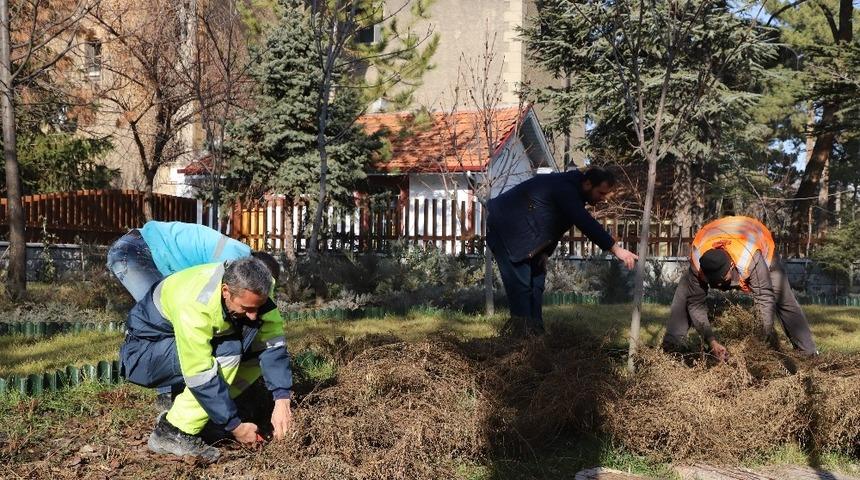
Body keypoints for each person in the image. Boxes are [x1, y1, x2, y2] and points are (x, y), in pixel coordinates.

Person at [121, 257, 293, 462]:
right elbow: (199, 373)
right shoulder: (195, 304)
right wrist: (235, 427)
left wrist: (282, 399)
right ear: (226, 291)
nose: (254, 315)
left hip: (175, 346)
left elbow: (272, 343)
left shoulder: (260, 285)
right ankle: (172, 431)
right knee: (228, 350)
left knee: (255, 346)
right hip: (143, 354)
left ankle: (210, 417)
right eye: (246, 308)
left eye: (258, 307)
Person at [107, 221, 280, 407]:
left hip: (148, 251)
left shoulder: (239, 258)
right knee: (169, 319)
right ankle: (169, 396)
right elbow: (207, 307)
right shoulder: (234, 260)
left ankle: (185, 390)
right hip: (136, 251)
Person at [486, 166, 638, 335]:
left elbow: (553, 223)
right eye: (601, 193)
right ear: (588, 184)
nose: (604, 199)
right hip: (506, 229)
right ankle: (521, 340)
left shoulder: (573, 191)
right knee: (521, 287)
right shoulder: (565, 188)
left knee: (537, 284)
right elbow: (583, 221)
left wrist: (545, 252)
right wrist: (616, 249)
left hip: (527, 232)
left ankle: (536, 335)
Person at [662, 215, 818, 360]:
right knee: (685, 294)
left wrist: (759, 342)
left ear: (731, 266)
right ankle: (672, 348)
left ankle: (808, 352)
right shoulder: (698, 262)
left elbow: (764, 297)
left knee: (783, 297)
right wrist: (712, 341)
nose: (718, 286)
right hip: (716, 233)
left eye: (722, 280)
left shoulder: (749, 256)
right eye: (712, 282)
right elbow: (695, 304)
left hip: (754, 239)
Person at [106, 220, 280, 303]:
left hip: (143, 249)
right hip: (135, 252)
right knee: (157, 312)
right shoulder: (235, 258)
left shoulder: (238, 253)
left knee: (165, 311)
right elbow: (206, 299)